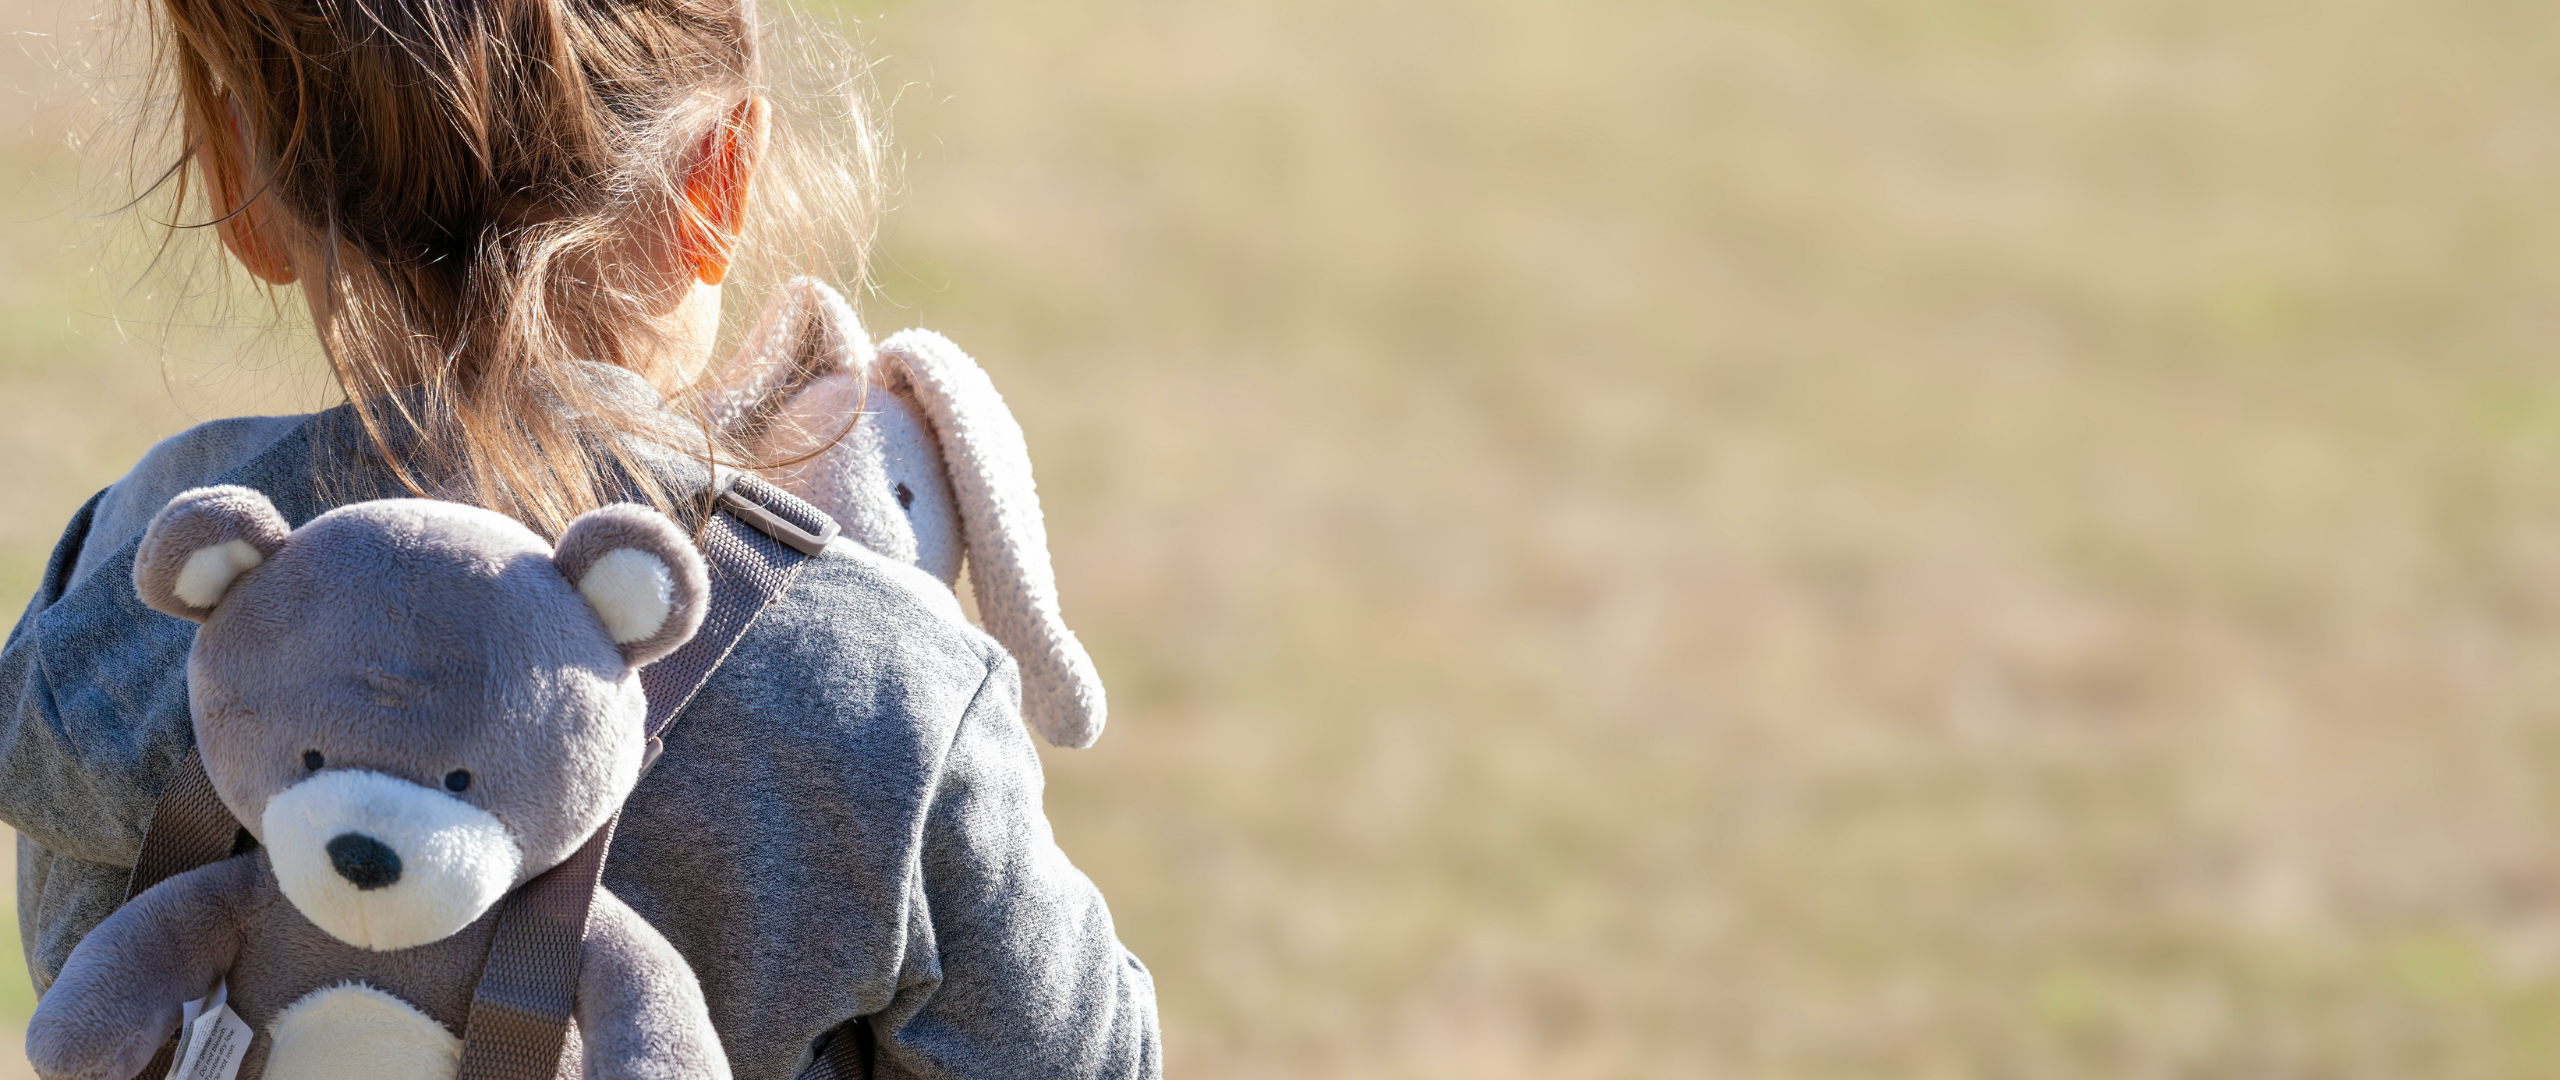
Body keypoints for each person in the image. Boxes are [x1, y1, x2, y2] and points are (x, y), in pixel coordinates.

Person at [0, 0, 1161, 1077]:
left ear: (237, 178)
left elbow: (82, 980)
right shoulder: (884, 679)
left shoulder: (159, 556)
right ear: (719, 176)